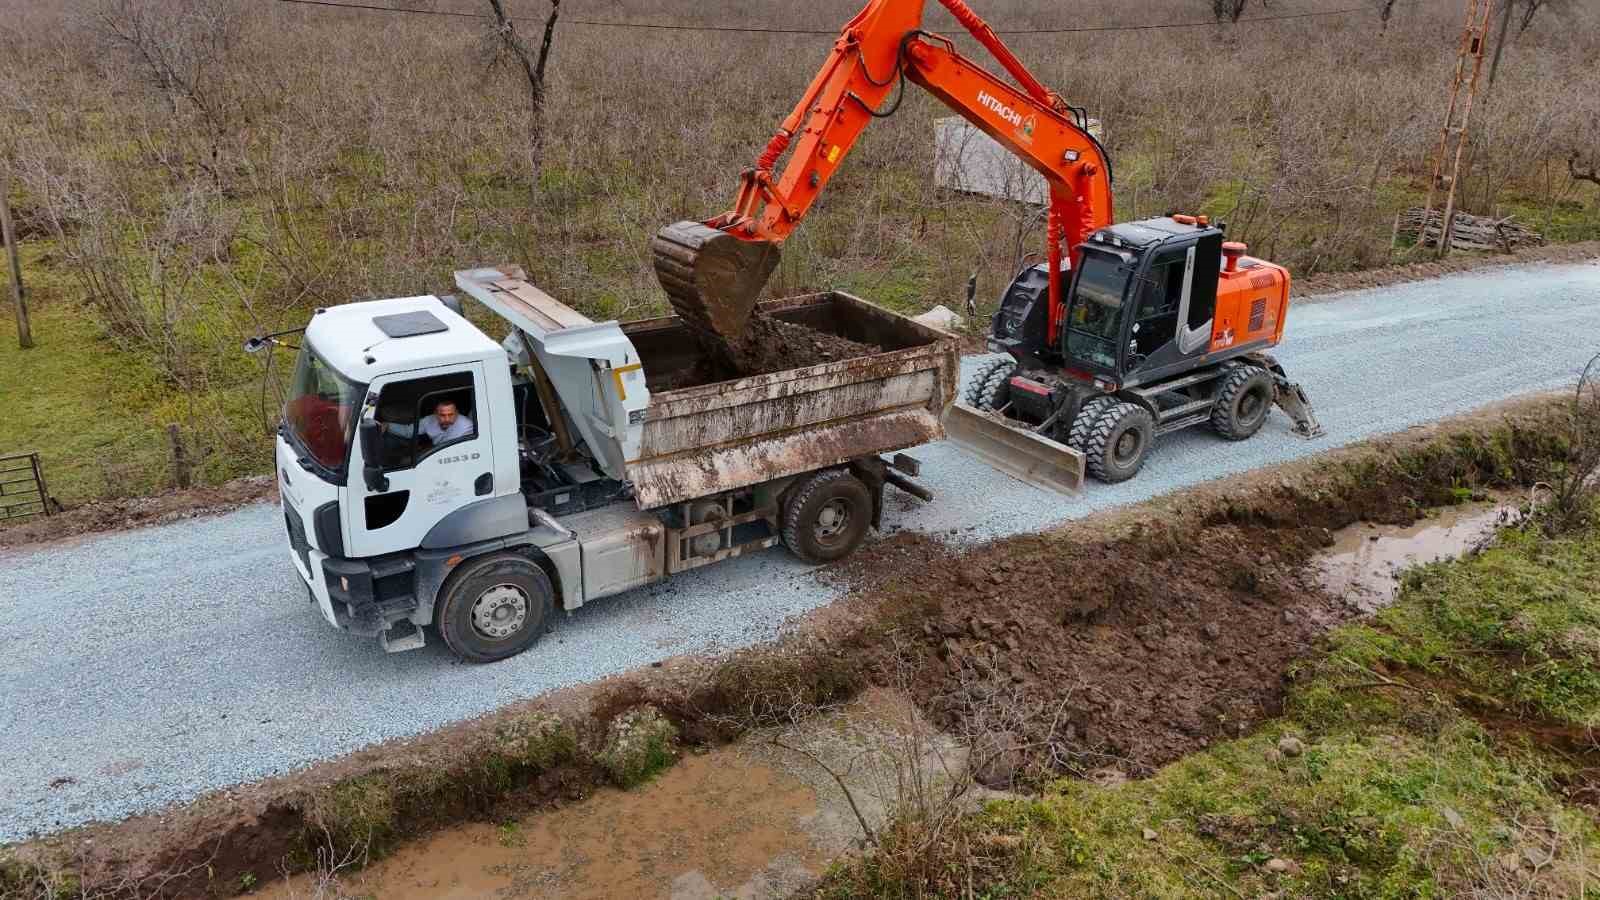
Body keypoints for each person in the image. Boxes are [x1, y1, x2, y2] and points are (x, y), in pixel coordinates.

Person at [385, 398, 474, 448]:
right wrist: (387, 425)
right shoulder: (429, 420)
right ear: (435, 414)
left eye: (450, 415)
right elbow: (408, 431)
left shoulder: (467, 427)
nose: (447, 419)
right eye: (442, 415)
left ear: (457, 413)